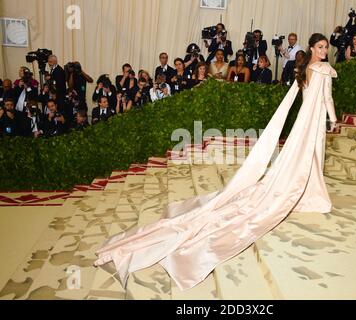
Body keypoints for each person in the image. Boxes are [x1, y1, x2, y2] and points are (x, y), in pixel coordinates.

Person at [94, 33, 338, 291]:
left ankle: (307, 188)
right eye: (320, 46)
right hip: (313, 121)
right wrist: (332, 119)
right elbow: (326, 99)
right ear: (312, 47)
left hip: (303, 121)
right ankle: (310, 191)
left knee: (298, 155)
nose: (324, 50)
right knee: (308, 153)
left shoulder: (305, 69)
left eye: (326, 47)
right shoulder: (322, 69)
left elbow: (302, 98)